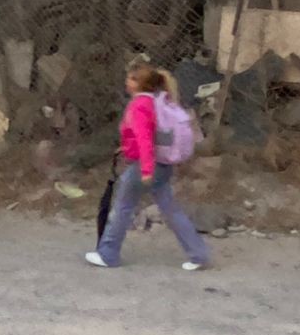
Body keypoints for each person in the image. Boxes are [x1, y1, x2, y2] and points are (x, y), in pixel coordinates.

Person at [85, 63, 210, 271]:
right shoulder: (158, 102)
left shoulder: (140, 105)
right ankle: (198, 254)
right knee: (170, 209)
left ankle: (108, 253)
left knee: (122, 207)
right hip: (162, 163)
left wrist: (146, 169)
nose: (128, 82)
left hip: (146, 165)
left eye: (132, 79)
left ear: (141, 84)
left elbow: (145, 138)